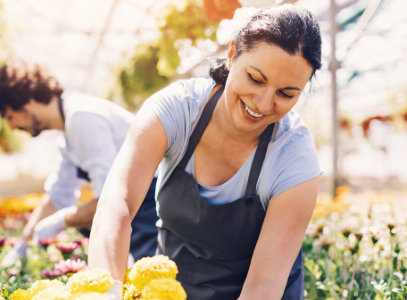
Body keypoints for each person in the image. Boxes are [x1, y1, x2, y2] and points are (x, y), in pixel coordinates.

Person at [88, 5, 322, 300]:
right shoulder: (176, 110)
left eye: (286, 94)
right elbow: (116, 206)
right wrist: (105, 291)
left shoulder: (294, 157)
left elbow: (263, 284)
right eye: (255, 78)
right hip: (175, 288)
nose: (263, 103)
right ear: (233, 53)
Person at [0, 61, 159, 266]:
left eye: (10, 117)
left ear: (27, 101)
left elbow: (111, 201)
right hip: (137, 208)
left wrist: (64, 220)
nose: (12, 127)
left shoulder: (82, 117)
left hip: (153, 205)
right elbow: (57, 197)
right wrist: (22, 244)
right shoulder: (67, 135)